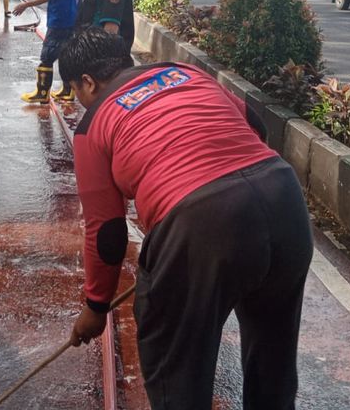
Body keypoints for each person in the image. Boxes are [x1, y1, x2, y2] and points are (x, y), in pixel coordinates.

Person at [60, 28, 312, 409]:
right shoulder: (184, 72)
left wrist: (96, 306)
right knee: (273, 365)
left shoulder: (94, 124)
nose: (79, 103)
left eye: (76, 92)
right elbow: (255, 126)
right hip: (283, 200)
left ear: (88, 82)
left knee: (175, 365)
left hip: (201, 223)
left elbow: (107, 232)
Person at [13, 0, 78, 103]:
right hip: (68, 17)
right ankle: (67, 90)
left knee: (47, 56)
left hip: (59, 19)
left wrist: (26, 5)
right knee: (65, 55)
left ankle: (42, 92)